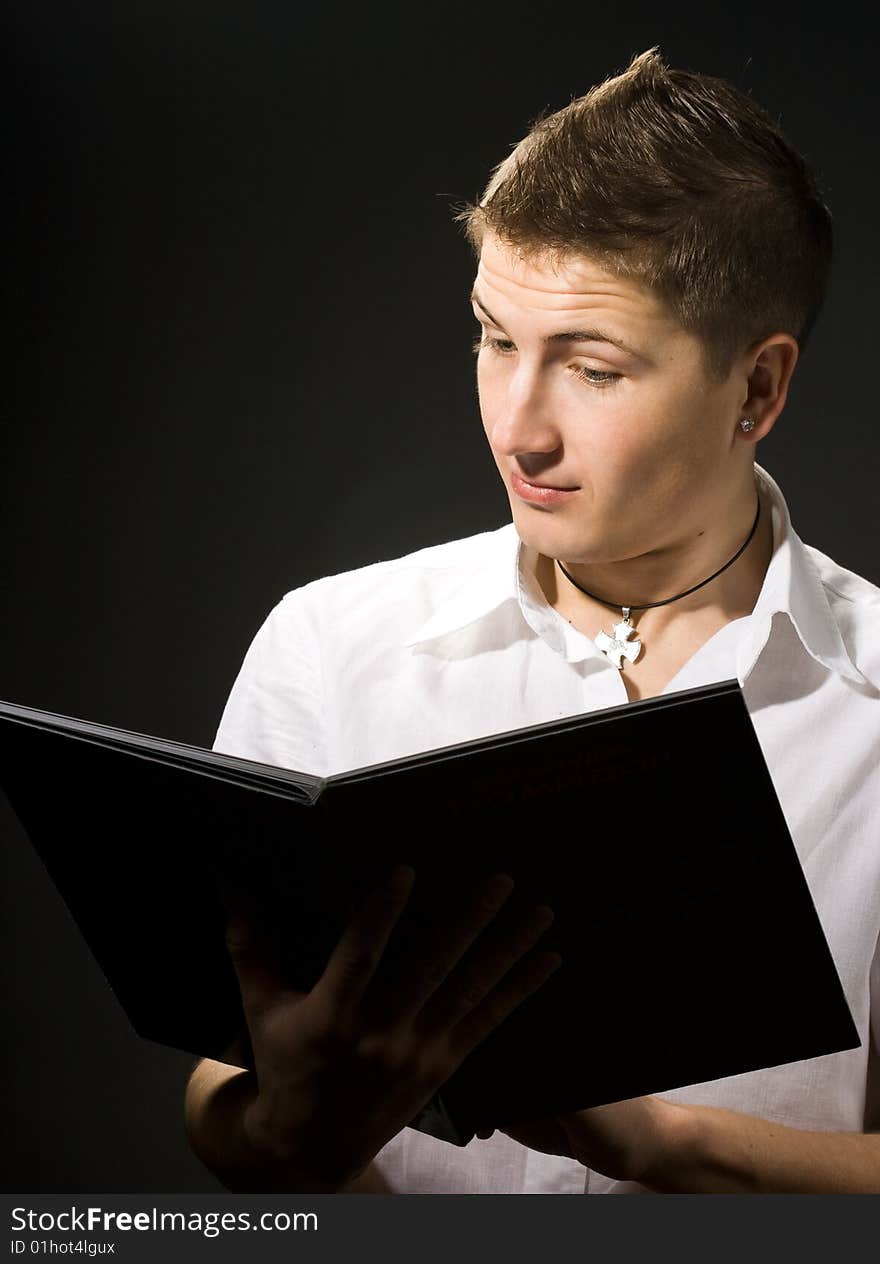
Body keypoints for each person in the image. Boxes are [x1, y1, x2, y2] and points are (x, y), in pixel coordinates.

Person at [183, 47, 880, 1193]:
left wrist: (671, 1144)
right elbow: (227, 1094)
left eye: (591, 368)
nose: (518, 426)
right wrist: (289, 1128)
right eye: (496, 338)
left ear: (757, 388)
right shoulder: (329, 647)